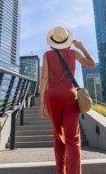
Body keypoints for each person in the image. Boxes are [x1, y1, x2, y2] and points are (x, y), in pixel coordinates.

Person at [39, 26, 96, 174]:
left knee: (58, 138)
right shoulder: (74, 53)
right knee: (72, 139)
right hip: (70, 97)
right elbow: (92, 64)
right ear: (68, 40)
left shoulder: (47, 55)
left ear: (53, 41)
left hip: (52, 97)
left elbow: (44, 78)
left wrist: (41, 104)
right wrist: (82, 47)